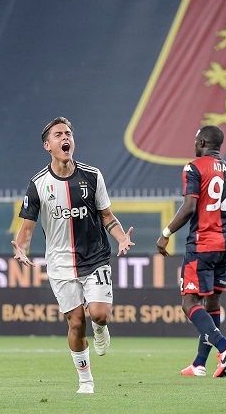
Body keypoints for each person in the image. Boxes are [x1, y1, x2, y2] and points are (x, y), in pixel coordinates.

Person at [11, 117, 134, 394]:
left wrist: (121, 237)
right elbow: (27, 228)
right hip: (60, 264)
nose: (65, 138)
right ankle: (86, 381)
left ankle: (101, 329)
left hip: (95, 258)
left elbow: (107, 216)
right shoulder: (38, 184)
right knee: (76, 321)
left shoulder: (92, 176)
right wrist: (21, 248)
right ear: (48, 145)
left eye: (68, 133)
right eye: (58, 135)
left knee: (99, 315)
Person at [157, 125, 226, 378]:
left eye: (196, 141)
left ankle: (224, 347)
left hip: (202, 244)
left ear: (202, 142)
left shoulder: (193, 167)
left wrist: (165, 234)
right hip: (225, 247)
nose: (194, 145)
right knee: (213, 302)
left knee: (190, 303)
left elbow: (189, 207)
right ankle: (199, 363)